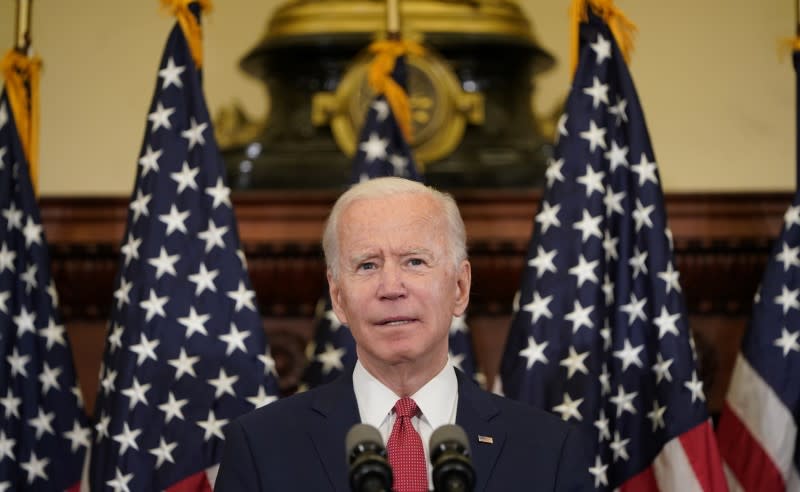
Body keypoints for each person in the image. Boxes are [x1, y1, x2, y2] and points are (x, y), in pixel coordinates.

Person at [215, 177, 592, 491]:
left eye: (414, 261)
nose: (391, 287)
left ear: (459, 288)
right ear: (338, 297)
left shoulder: (548, 450)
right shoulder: (261, 446)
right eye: (367, 265)